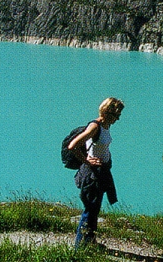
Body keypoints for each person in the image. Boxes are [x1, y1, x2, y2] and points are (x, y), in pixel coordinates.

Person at [68, 97, 124, 248]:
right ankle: (80, 246)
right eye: (116, 115)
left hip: (101, 172)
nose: (117, 119)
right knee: (90, 208)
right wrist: (87, 160)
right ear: (108, 112)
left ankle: (90, 240)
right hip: (92, 174)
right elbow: (72, 145)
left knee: (95, 207)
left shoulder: (106, 126)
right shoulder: (95, 126)